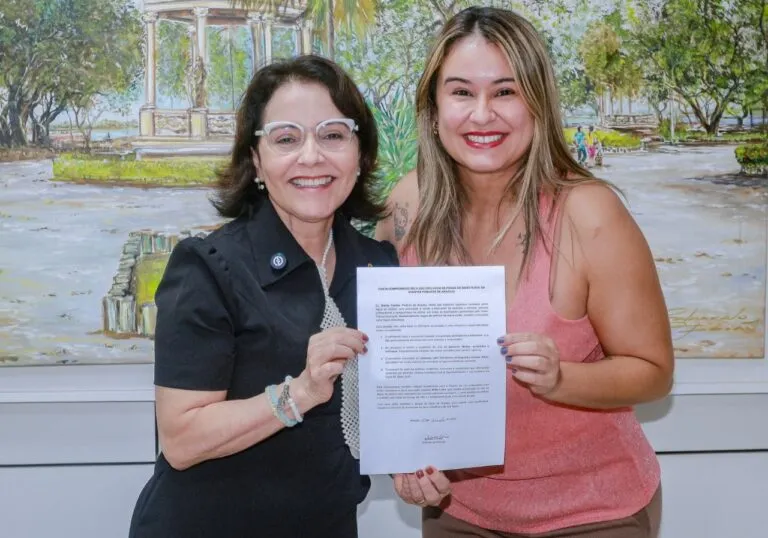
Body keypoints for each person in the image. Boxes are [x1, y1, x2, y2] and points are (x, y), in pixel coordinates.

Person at [376, 6, 673, 538]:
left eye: (505, 92)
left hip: (594, 511)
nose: (482, 114)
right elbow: (390, 365)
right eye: (461, 92)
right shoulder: (406, 207)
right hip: (459, 511)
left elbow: (653, 371)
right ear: (434, 107)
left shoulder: (588, 213)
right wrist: (407, 459)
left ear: (537, 103)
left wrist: (562, 378)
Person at [128, 54, 398, 538]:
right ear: (256, 159)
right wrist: (300, 393)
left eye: (333, 135)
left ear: (360, 154)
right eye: (286, 138)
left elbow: (385, 417)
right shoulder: (208, 268)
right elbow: (182, 439)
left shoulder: (380, 267)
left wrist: (417, 467)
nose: (311, 156)